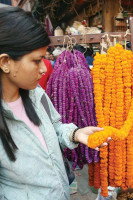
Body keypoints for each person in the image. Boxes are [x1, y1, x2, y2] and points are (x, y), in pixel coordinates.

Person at [0, 7, 109, 200]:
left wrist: (76, 134)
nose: (44, 68)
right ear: (5, 62)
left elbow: (54, 127)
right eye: (37, 60)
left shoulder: (36, 94)